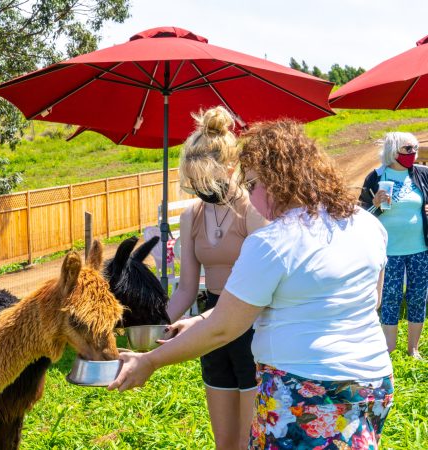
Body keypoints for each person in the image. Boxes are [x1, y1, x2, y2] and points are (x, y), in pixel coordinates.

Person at [109, 120, 394, 449]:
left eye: (255, 184)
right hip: (372, 384)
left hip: (307, 390)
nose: (253, 198)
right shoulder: (368, 225)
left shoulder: (274, 241)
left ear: (280, 180)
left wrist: (149, 361)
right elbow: (372, 301)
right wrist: (199, 320)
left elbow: (223, 328)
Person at [169, 106, 268, 450]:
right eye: (193, 182)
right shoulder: (192, 215)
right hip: (211, 323)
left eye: (205, 181)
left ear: (230, 168)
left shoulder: (252, 211)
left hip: (250, 321)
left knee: (250, 441)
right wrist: (154, 327)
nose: (198, 189)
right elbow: (184, 289)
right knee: (224, 442)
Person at [359, 131, 428, 359]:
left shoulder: (422, 174)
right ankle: (389, 348)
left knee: (418, 296)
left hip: (420, 249)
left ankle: (413, 348)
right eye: (408, 149)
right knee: (390, 297)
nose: (413, 153)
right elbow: (360, 217)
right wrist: (376, 205)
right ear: (393, 150)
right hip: (389, 252)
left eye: (415, 148)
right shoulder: (376, 177)